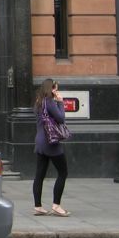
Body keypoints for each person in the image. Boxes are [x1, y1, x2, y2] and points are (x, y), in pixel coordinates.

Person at [32, 78, 71, 217]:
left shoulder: (38, 102)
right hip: (51, 143)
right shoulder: (49, 102)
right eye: (56, 89)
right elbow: (61, 118)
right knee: (63, 172)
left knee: (39, 175)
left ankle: (38, 206)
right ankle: (56, 205)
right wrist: (60, 102)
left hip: (40, 142)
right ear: (52, 89)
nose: (57, 91)